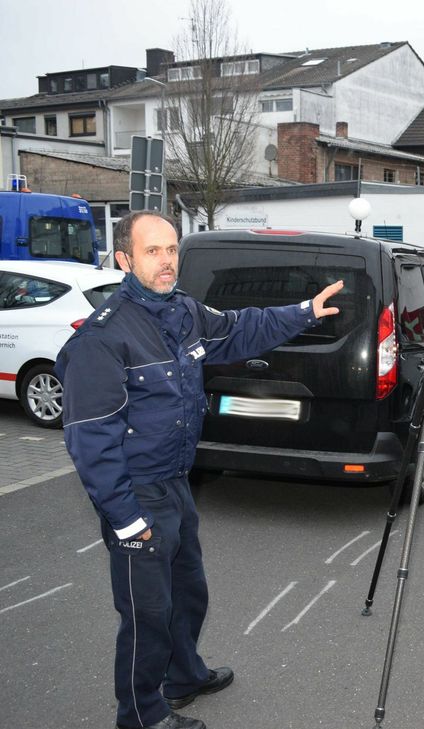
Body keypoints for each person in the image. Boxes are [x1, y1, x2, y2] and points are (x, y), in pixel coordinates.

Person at [56, 211, 344, 729]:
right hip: (137, 493)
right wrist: (125, 518)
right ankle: (141, 714)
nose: (167, 261)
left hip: (174, 482)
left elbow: (238, 330)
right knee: (146, 614)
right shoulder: (104, 338)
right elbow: (90, 440)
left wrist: (304, 311)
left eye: (171, 249)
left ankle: (182, 676)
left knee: (188, 592)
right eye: (152, 252)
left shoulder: (183, 311)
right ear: (124, 259)